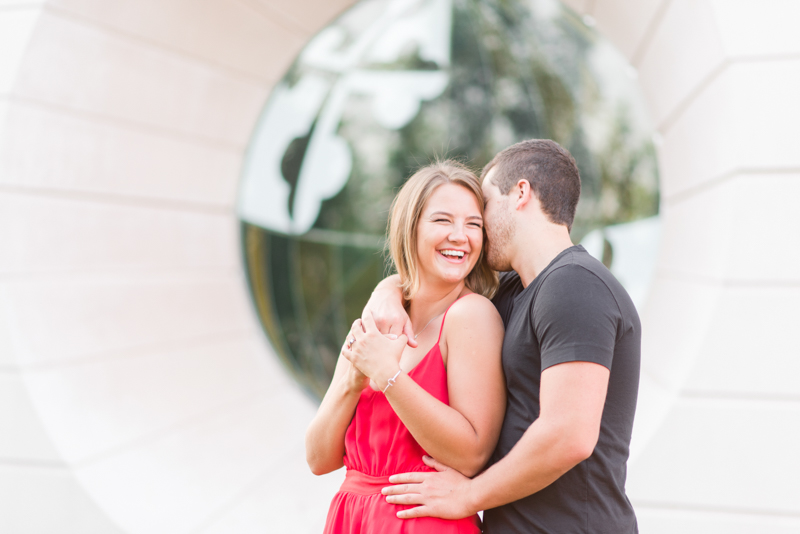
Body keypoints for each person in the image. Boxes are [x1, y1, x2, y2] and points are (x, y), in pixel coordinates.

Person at [367, 140, 641, 533]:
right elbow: (433, 285)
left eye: (484, 206)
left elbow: (569, 435)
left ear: (521, 194)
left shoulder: (577, 285)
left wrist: (468, 496)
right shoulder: (515, 290)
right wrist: (389, 291)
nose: (473, 224)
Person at [305, 161, 507, 533]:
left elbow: (472, 454)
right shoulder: (379, 316)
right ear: (409, 228)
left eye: (473, 224)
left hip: (423, 523)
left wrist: (387, 374)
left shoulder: (471, 316)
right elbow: (319, 458)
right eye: (443, 221)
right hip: (353, 519)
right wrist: (352, 380)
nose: (460, 236)